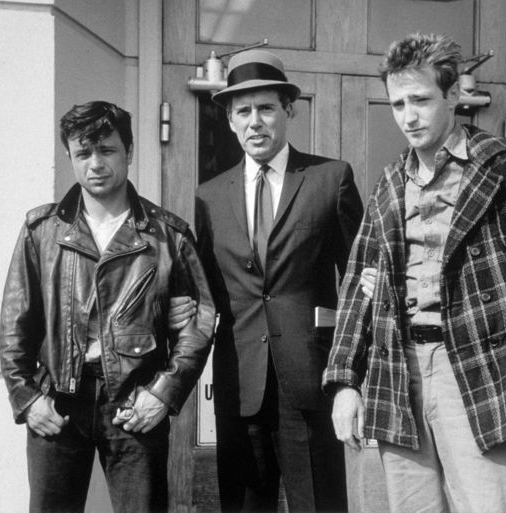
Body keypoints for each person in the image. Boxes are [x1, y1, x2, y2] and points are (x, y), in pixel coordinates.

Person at [323, 33, 506, 513]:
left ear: (452, 95)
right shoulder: (390, 180)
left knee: (492, 505)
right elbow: (358, 285)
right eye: (398, 103)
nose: (408, 116)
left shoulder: (504, 164)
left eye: (420, 100)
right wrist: (344, 381)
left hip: (470, 363)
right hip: (396, 368)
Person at [0, 100, 215, 513]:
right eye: (83, 153)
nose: (96, 163)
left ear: (128, 151)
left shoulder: (167, 236)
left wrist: (163, 393)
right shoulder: (42, 232)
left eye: (107, 150)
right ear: (70, 156)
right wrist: (26, 398)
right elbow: (15, 325)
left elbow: (200, 323)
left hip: (135, 400)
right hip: (58, 400)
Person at [192, 49, 363, 512]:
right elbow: (203, 296)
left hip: (311, 380)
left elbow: (360, 284)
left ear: (289, 110)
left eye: (266, 108)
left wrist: (351, 375)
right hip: (239, 384)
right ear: (230, 120)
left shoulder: (330, 179)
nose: (255, 122)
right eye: (243, 111)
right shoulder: (209, 197)